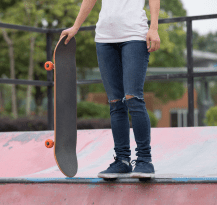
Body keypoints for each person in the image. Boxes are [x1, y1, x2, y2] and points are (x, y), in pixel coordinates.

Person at [60, 0, 160, 178]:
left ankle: (144, 160)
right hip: (104, 39)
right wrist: (76, 27)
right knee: (115, 102)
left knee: (133, 98)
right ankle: (122, 160)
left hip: (134, 35)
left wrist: (153, 28)